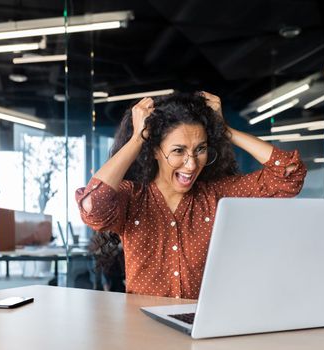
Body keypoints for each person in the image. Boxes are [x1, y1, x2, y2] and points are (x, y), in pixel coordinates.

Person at [76, 91, 307, 299]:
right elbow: (93, 206)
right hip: (142, 328)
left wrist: (224, 130)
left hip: (201, 325)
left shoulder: (217, 193)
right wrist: (138, 138)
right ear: (155, 150)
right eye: (178, 151)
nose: (191, 164)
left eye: (200, 149)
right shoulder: (133, 196)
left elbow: (288, 175)